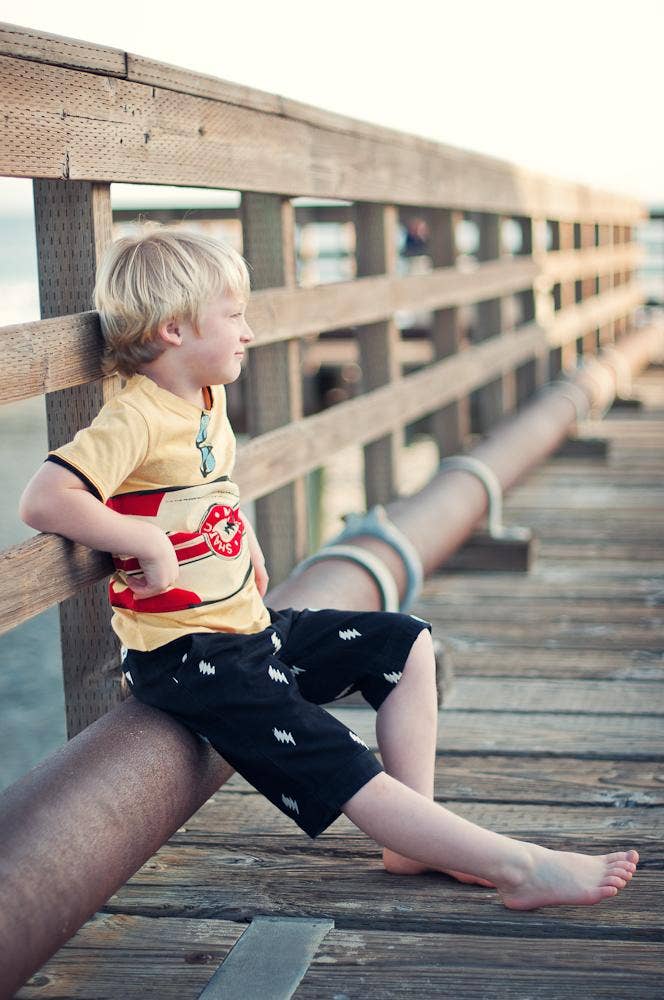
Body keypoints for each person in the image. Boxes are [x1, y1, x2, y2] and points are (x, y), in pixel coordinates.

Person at [19, 226, 638, 910]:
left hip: (249, 631)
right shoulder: (134, 417)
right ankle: (519, 867)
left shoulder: (204, 398)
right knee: (339, 755)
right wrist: (138, 536)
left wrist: (241, 532)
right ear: (172, 330)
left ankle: (413, 838)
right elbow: (45, 497)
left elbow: (204, 485)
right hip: (191, 658)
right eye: (234, 317)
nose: (249, 332)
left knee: (405, 645)